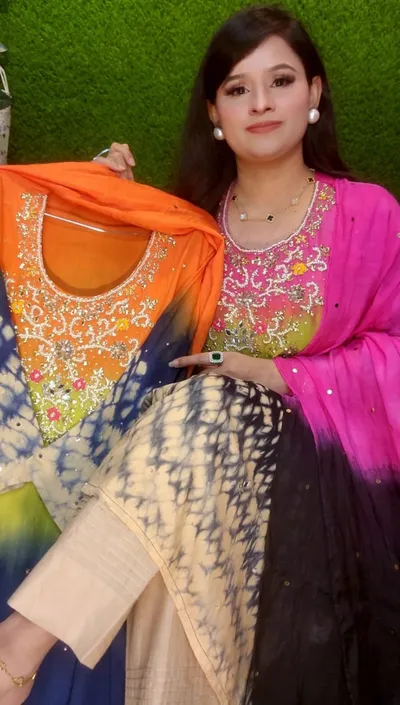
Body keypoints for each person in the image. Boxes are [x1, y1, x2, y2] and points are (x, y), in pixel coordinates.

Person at [0, 4, 399, 705]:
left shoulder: (369, 215)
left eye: (280, 81)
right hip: (189, 468)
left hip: (318, 474)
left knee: (206, 405)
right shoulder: (190, 229)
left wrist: (274, 374)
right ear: (215, 112)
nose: (261, 102)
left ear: (314, 92)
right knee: (184, 444)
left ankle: (18, 645)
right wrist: (105, 209)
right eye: (238, 88)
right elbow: (119, 332)